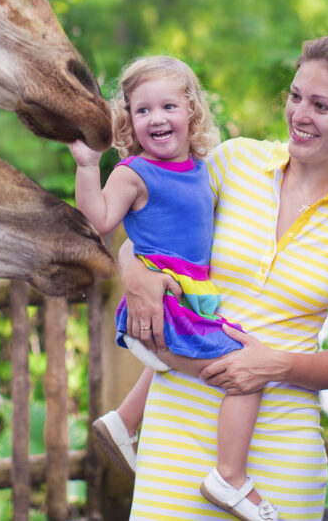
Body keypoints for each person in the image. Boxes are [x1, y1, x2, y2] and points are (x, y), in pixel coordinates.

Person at [118, 36, 328, 521]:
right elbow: (152, 234)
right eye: (295, 97)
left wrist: (272, 365)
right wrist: (133, 272)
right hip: (177, 433)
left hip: (280, 450)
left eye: (320, 105)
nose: (299, 115)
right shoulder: (234, 163)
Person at [69, 56, 281, 518]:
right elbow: (101, 221)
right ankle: (229, 478)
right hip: (163, 308)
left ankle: (124, 422)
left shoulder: (203, 167)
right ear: (128, 120)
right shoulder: (133, 172)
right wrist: (88, 165)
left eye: (168, 106)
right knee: (248, 372)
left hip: (192, 302)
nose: (157, 118)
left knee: (227, 356)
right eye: (143, 110)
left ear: (192, 112)